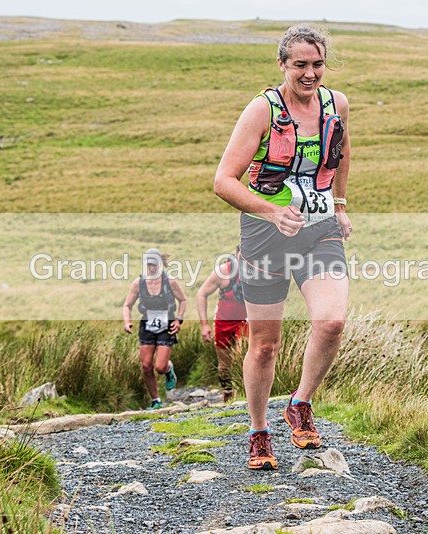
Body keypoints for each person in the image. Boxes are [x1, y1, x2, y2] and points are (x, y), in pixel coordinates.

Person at [213, 24, 352, 470]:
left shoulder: (337, 104)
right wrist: (272, 212)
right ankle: (258, 432)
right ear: (282, 65)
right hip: (265, 235)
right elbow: (223, 182)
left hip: (319, 228)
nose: (310, 74)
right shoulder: (262, 111)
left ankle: (300, 402)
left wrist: (341, 204)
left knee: (331, 322)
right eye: (300, 65)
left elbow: (342, 153)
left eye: (317, 64)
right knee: (265, 346)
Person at [122, 248, 187, 410]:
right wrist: (127, 321)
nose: (152, 268)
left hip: (167, 324)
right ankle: (156, 400)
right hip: (147, 324)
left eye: (155, 264)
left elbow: (183, 300)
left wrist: (179, 320)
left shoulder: (170, 282)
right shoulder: (139, 283)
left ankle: (168, 368)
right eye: (149, 264)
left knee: (159, 367)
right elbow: (127, 305)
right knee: (145, 366)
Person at [196, 247, 248, 403]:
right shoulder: (224, 271)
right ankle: (228, 395)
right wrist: (204, 325)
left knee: (242, 355)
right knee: (224, 365)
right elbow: (202, 294)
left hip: (246, 321)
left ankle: (245, 393)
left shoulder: (258, 269)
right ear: (237, 253)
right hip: (223, 321)